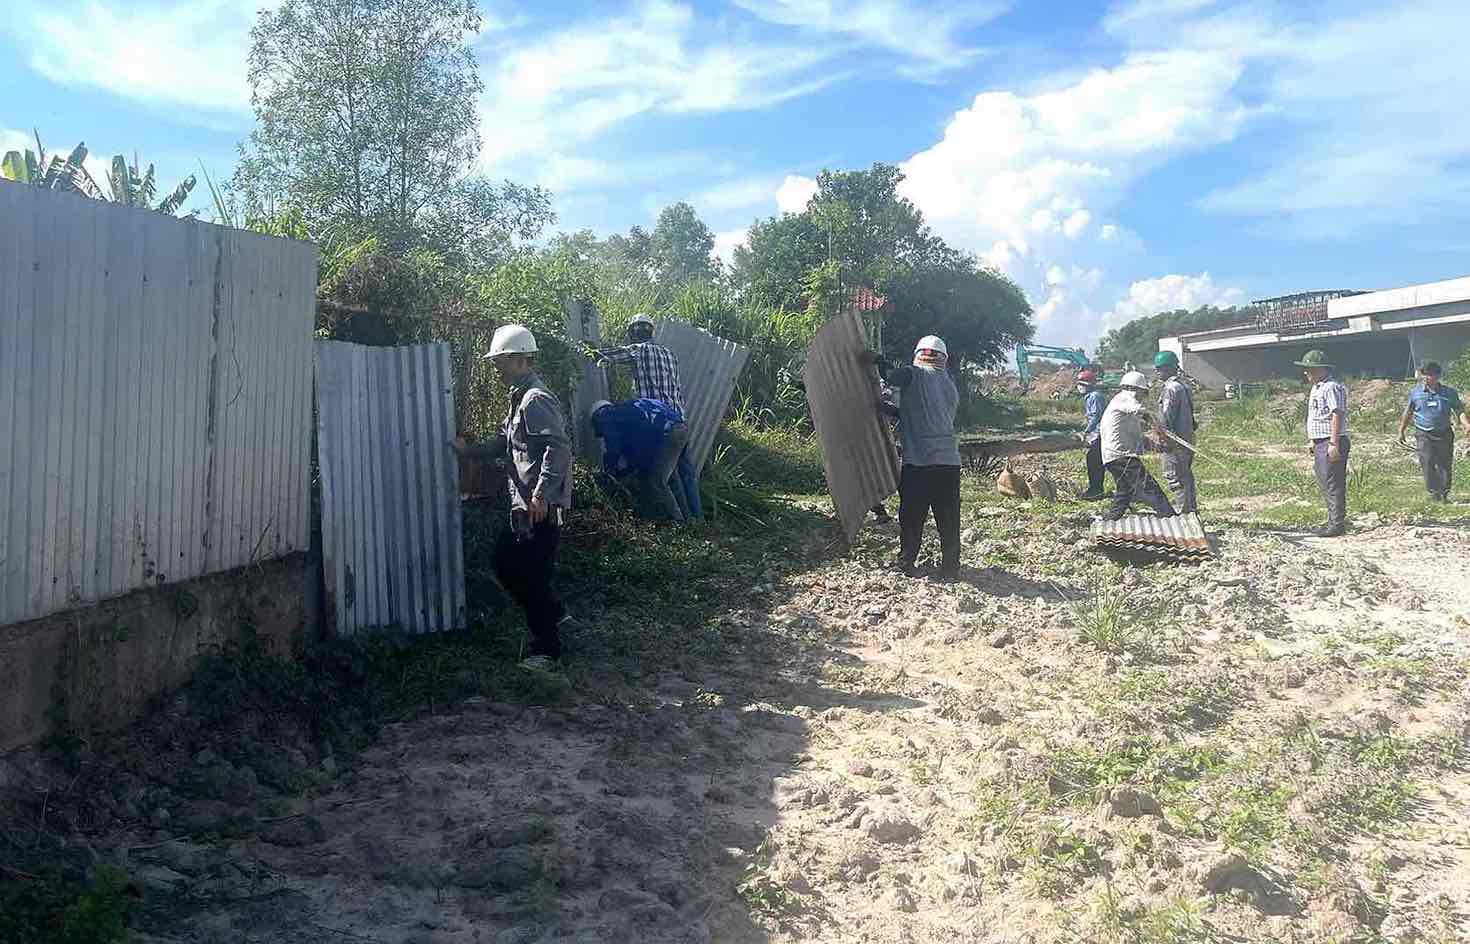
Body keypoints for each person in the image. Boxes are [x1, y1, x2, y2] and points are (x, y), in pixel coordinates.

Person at [449, 324, 571, 670]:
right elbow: (505, 442)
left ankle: (546, 650)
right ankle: (554, 615)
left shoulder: (535, 399)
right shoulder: (519, 397)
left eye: (500, 361)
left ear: (519, 359)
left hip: (539, 506)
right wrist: (469, 452)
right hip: (526, 504)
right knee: (506, 564)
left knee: (530, 575)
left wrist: (541, 495)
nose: (496, 368)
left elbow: (557, 448)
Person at [595, 313, 702, 520]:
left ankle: (683, 524)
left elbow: (604, 355)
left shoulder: (638, 350)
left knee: (666, 479)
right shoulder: (669, 354)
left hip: (659, 425)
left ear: (633, 333)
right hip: (680, 419)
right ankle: (698, 520)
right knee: (687, 474)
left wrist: (585, 350)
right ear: (652, 331)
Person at [871, 335, 961, 578]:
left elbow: (892, 377)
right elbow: (920, 415)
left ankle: (906, 563)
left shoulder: (913, 373)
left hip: (920, 463)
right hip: (949, 463)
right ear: (944, 358)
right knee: (948, 519)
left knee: (911, 517)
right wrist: (887, 410)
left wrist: (879, 362)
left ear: (918, 355)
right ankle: (950, 569)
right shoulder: (949, 385)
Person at [589, 398, 690, 521]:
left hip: (668, 434)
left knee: (657, 481)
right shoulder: (626, 409)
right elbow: (640, 446)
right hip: (679, 428)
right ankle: (689, 521)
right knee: (671, 480)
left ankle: (678, 523)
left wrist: (609, 472)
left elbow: (613, 448)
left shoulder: (606, 415)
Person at [1099, 371, 1176, 521]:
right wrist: (1158, 427)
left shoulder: (1125, 410)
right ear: (1134, 389)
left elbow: (1137, 438)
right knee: (1150, 487)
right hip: (1121, 455)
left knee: (1125, 491)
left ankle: (1111, 519)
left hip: (1114, 456)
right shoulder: (1124, 399)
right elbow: (1143, 412)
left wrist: (1161, 447)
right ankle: (1171, 518)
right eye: (1143, 392)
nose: (1143, 396)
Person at [1296, 349, 1350, 537]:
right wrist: (1312, 440)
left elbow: (1337, 414)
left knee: (1332, 482)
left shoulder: (1331, 387)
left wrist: (1333, 444)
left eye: (1309, 369)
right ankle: (1332, 520)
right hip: (1320, 441)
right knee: (1325, 482)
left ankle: (1336, 524)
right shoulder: (1317, 388)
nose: (1306, 372)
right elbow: (1316, 415)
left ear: (1320, 369)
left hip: (1331, 440)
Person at [1398, 361, 1468, 502]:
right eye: (1424, 374)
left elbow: (1459, 410)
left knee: (1444, 464)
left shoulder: (1449, 393)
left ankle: (1444, 493)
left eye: (1430, 375)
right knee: (1427, 461)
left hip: (1444, 432)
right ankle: (1433, 493)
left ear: (1437, 376)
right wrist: (1401, 431)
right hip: (1424, 433)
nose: (1426, 377)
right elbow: (1408, 412)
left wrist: (1466, 424)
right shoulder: (1415, 393)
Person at [1152, 350, 1198, 514]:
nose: (1157, 371)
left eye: (1160, 368)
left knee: (1174, 476)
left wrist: (1160, 438)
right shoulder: (1184, 386)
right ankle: (1191, 509)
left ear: (1170, 368)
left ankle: (1184, 512)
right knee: (1185, 475)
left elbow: (1166, 417)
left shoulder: (1170, 389)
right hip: (1187, 437)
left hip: (1173, 440)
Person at [1077, 369, 1106, 500]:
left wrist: (1087, 431)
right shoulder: (1090, 396)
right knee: (1093, 461)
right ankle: (1094, 488)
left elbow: (1095, 416)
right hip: (1095, 433)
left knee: (1094, 462)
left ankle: (1096, 490)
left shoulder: (1094, 396)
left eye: (1081, 384)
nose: (1079, 387)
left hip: (1099, 433)